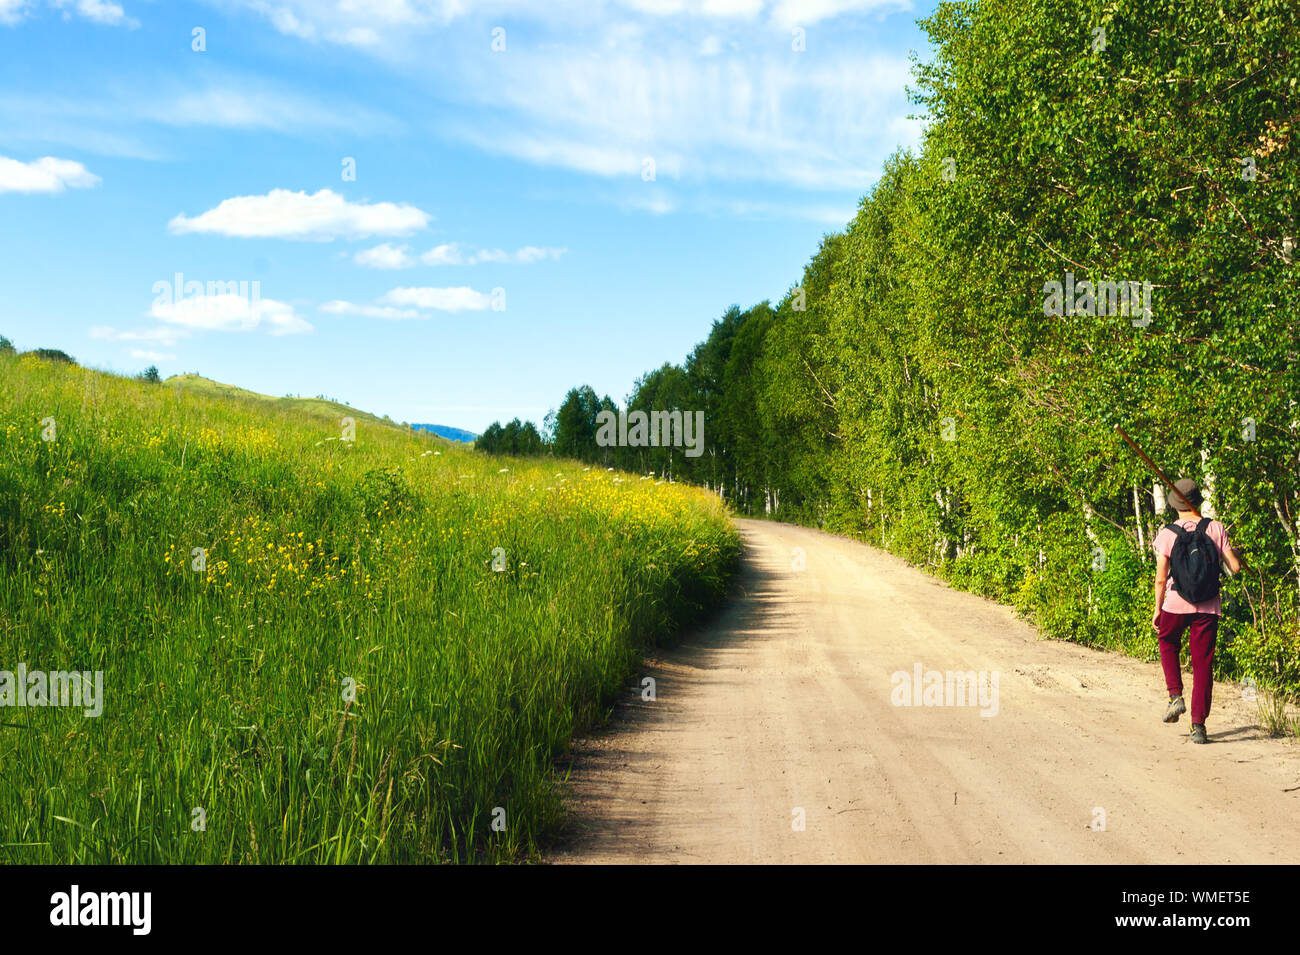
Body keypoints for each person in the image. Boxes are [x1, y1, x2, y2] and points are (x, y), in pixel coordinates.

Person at [1151, 478, 1242, 743]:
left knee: (1167, 641)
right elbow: (1234, 567)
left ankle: (1175, 696)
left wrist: (1158, 609)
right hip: (1208, 605)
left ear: (1175, 505)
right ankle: (1198, 726)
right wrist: (1236, 552)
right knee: (1203, 663)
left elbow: (1160, 578)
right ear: (1196, 501)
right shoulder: (1215, 528)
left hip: (1176, 603)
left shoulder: (1168, 533)